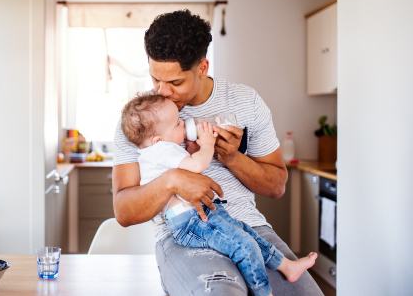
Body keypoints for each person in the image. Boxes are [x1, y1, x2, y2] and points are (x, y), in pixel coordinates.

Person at [112, 9, 324, 296]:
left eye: (175, 83)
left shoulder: (245, 102)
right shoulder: (141, 121)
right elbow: (123, 211)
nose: (162, 93)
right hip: (184, 236)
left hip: (249, 227)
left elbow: (276, 187)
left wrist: (233, 158)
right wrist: (172, 180)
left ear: (202, 68)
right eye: (155, 79)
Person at [120, 92, 317, 296]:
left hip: (200, 215)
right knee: (245, 245)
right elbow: (195, 166)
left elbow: (184, 168)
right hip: (190, 222)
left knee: (246, 233)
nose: (184, 123)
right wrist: (206, 144)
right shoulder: (160, 149)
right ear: (157, 139)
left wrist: (192, 149)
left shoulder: (158, 150)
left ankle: (286, 266)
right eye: (178, 123)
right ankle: (264, 292)